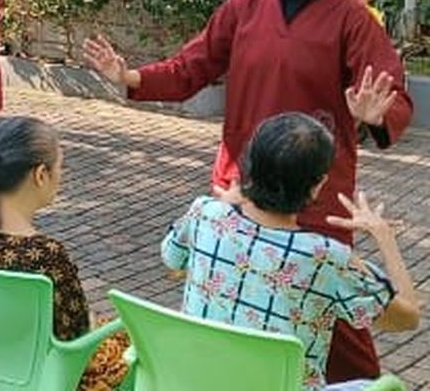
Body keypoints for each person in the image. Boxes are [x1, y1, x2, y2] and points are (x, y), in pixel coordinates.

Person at [83, 0, 412, 383]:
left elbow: (389, 90)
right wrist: (129, 75)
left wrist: (374, 116)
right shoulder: (242, 9)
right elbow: (191, 66)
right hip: (243, 186)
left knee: (339, 315)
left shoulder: (351, 20)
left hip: (314, 190)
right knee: (229, 294)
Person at [162, 113, 420, 390]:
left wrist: (229, 210)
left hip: (194, 382)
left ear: (249, 164)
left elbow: (172, 259)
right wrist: (384, 237)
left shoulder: (205, 212)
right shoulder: (327, 258)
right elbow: (407, 318)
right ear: (318, 185)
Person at [0, 117, 129, 391]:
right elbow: (74, 338)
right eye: (60, 167)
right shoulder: (45, 255)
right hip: (36, 377)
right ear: (40, 174)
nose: (62, 176)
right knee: (128, 342)